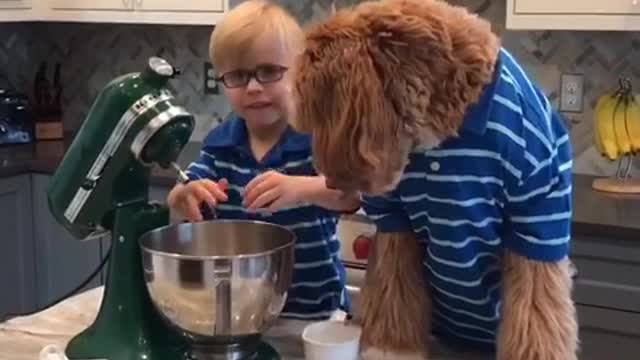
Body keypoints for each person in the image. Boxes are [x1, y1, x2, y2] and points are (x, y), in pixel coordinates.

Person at [291, 0, 577, 359]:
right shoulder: (394, 117)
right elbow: (394, 249)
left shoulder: (520, 128)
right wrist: (393, 346)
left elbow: (539, 269)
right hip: (432, 336)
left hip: (504, 337)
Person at [166, 0, 360, 320]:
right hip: (240, 313)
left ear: (299, 73)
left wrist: (301, 188)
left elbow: (351, 194)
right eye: (238, 75)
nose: (253, 87)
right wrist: (184, 195)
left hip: (314, 313)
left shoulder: (318, 139)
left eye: (269, 71)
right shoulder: (219, 145)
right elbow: (181, 192)